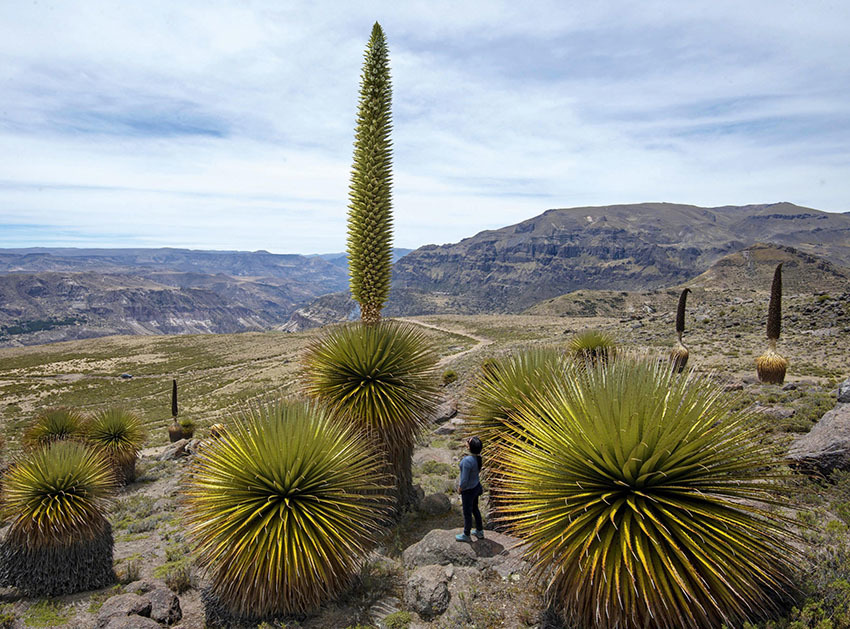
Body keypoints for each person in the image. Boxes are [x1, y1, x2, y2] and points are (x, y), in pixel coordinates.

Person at [455, 436, 484, 542]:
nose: (466, 442)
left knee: (467, 512)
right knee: (475, 509)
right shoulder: (478, 457)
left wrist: (460, 488)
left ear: (470, 447)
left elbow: (464, 480)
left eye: (468, 441)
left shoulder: (467, 461)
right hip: (476, 486)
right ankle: (479, 531)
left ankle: (466, 534)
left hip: (468, 490)